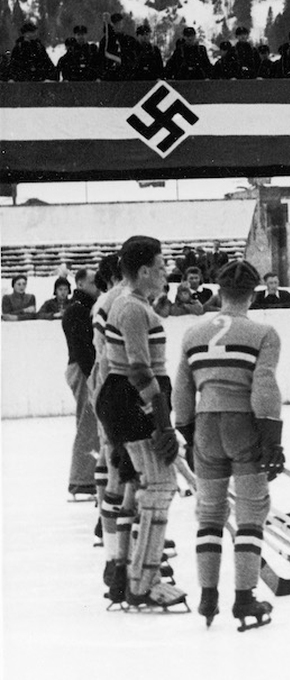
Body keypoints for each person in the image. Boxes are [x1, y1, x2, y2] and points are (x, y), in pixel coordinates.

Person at [174, 260, 283, 629]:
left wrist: (188, 436)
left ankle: (207, 597)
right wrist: (272, 441)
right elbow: (264, 386)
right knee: (252, 511)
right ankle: (244, 598)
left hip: (205, 424)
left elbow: (182, 391)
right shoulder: (264, 333)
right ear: (252, 294)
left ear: (219, 292)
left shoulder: (193, 333)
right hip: (244, 425)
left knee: (209, 512)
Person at [95, 235, 186, 611]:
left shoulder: (136, 305)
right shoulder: (131, 308)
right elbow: (137, 367)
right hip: (130, 402)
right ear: (145, 270)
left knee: (140, 489)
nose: (166, 273)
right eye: (162, 266)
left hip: (130, 401)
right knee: (160, 485)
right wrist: (161, 420)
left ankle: (128, 576)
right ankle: (143, 583)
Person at [61, 268, 101, 497]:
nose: (97, 285)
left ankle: (86, 477)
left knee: (91, 422)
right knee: (87, 422)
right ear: (80, 284)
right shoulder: (77, 311)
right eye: (93, 282)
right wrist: (92, 375)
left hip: (83, 368)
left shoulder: (82, 308)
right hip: (83, 369)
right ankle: (81, 479)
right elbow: (82, 348)